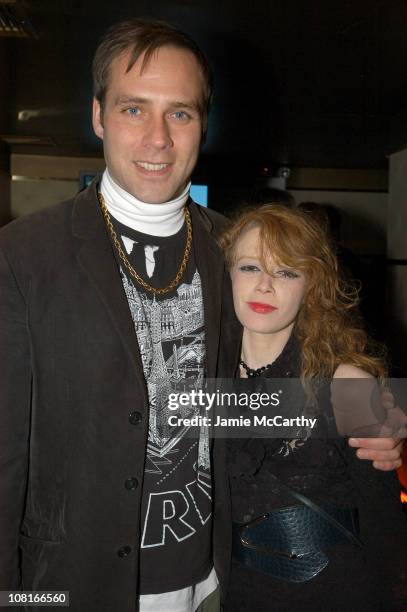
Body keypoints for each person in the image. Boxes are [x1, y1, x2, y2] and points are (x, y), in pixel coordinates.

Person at [0, 18, 402, 612]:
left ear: (202, 125)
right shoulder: (23, 255)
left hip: (213, 583)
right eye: (134, 109)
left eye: (180, 113)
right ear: (98, 116)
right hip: (71, 585)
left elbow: (250, 386)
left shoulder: (230, 249)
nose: (158, 138)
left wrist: (370, 412)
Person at [220, 204, 407, 611]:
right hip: (234, 593)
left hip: (335, 594)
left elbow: (387, 529)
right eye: (250, 267)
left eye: (287, 271)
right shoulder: (201, 378)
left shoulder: (349, 385)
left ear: (311, 286)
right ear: (227, 276)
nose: (265, 286)